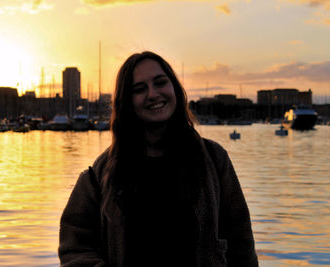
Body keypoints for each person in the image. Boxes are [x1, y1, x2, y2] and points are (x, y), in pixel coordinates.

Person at [58, 51, 259, 267]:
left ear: (174, 88)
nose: (153, 94)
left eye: (160, 82)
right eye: (139, 89)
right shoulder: (100, 175)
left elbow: (241, 244)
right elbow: (75, 245)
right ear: (126, 101)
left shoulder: (214, 161)